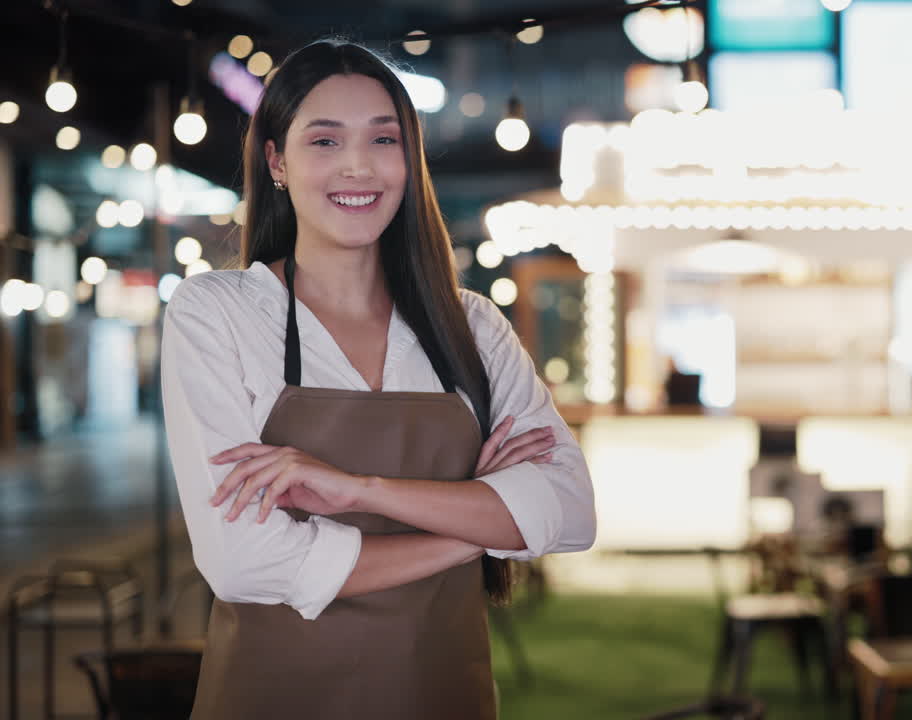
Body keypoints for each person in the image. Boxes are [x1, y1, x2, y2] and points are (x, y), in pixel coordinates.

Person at [161, 39, 596, 719]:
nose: (358, 165)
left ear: (409, 159)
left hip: (443, 693)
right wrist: (480, 521)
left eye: (383, 139)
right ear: (276, 161)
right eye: (325, 140)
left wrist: (362, 490)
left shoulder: (473, 328)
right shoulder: (218, 312)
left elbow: (569, 512)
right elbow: (244, 563)